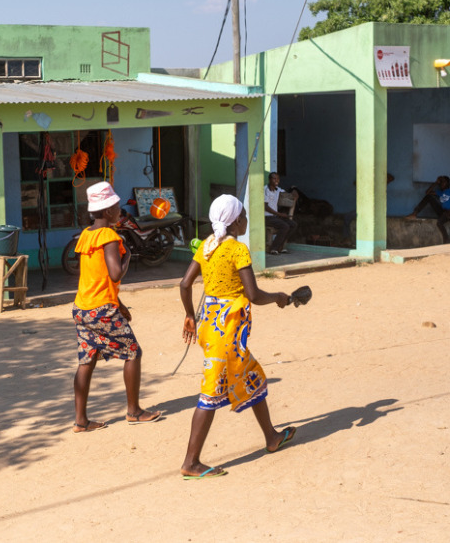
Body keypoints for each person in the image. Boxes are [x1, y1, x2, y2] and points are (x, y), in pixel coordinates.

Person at [179, 194, 296, 479]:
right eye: (243, 215)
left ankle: (271, 437)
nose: (245, 220)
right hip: (228, 330)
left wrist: (190, 316)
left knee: (251, 375)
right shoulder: (237, 250)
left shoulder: (207, 245)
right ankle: (191, 463)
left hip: (210, 325)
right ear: (235, 221)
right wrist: (278, 297)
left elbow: (185, 284)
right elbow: (254, 295)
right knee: (210, 392)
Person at [72, 181, 162, 433]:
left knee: (86, 360)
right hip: (102, 310)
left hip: (83, 309)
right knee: (133, 352)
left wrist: (119, 304)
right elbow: (113, 275)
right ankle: (133, 411)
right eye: (117, 206)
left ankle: (81, 421)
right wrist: (127, 257)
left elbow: (95, 278)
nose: (120, 210)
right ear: (109, 210)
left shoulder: (86, 235)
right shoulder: (110, 237)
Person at [405, 175, 450, 244]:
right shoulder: (440, 192)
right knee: (429, 197)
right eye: (441, 182)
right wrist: (435, 183)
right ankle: (415, 213)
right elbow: (427, 192)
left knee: (439, 223)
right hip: (443, 212)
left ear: (447, 183)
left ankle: (446, 241)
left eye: (443, 182)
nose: (441, 183)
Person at [264, 172, 298, 254]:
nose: (277, 181)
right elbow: (265, 207)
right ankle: (273, 248)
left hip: (275, 217)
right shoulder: (265, 190)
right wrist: (280, 214)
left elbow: (289, 195)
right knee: (285, 226)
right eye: (274, 178)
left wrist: (294, 192)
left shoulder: (278, 190)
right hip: (266, 217)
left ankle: (280, 246)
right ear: (269, 179)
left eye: (278, 179)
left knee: (293, 224)